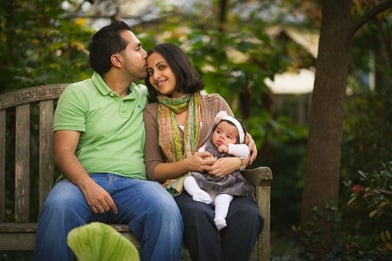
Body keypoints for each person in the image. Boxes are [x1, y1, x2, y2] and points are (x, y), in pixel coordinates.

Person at [34, 21, 183, 261]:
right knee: (58, 206)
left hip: (135, 186)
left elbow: (195, 103)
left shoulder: (147, 95)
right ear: (117, 60)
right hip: (81, 184)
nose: (146, 55)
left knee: (165, 208)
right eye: (138, 48)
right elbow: (63, 152)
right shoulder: (78, 93)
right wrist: (88, 186)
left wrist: (239, 134)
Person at [143, 42, 264, 261]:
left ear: (178, 65)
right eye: (151, 72)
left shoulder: (215, 103)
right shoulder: (151, 113)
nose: (155, 76)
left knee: (248, 216)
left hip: (227, 184)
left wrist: (235, 163)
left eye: (162, 67)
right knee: (198, 216)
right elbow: (152, 169)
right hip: (185, 189)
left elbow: (246, 146)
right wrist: (188, 164)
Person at [183, 110, 254, 231]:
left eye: (228, 136)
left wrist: (229, 148)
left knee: (225, 197)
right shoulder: (208, 145)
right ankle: (197, 193)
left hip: (226, 184)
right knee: (188, 180)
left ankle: (220, 218)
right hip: (205, 183)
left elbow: (246, 152)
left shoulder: (237, 148)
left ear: (237, 141)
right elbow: (199, 153)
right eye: (219, 132)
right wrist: (202, 157)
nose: (221, 136)